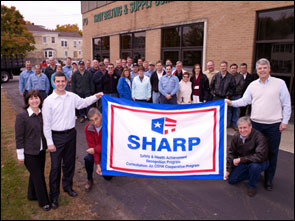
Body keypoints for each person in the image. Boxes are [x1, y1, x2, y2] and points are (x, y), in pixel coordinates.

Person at [226, 58, 291, 191]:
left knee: (272, 153)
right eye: (260, 68)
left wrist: (284, 121)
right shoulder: (253, 85)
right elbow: (244, 101)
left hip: (274, 125)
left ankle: (268, 179)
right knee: (252, 151)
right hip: (255, 125)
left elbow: (286, 104)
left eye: (264, 68)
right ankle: (253, 173)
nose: (262, 70)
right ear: (257, 70)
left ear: (269, 69)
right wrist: (231, 103)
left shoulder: (280, 83)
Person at [42, 72, 103, 209]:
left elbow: (83, 103)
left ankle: (68, 187)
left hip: (71, 135)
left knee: (69, 164)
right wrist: (49, 142)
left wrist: (96, 96)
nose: (60, 84)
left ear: (66, 82)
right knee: (56, 167)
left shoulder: (72, 96)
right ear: (54, 82)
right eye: (58, 81)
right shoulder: (49, 101)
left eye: (63, 81)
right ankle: (54, 196)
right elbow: (46, 124)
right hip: (56, 137)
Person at [15, 90, 51, 211]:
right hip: (29, 152)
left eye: (36, 98)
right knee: (39, 176)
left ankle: (31, 194)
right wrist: (20, 154)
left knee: (35, 174)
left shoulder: (44, 114)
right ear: (27, 101)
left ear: (40, 100)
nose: (34, 101)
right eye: (31, 98)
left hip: (41, 151)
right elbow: (19, 137)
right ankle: (44, 201)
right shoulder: (22, 117)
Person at [225, 117, 269, 197]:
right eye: (240, 128)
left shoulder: (259, 137)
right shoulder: (236, 136)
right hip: (244, 161)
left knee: (254, 167)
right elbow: (231, 153)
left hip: (260, 162)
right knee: (231, 180)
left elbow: (260, 156)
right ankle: (255, 175)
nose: (242, 130)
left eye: (245, 127)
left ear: (250, 126)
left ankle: (252, 186)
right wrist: (228, 169)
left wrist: (241, 159)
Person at [84, 108, 112, 192]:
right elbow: (92, 147)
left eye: (96, 119)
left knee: (108, 177)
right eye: (92, 120)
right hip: (97, 152)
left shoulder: (108, 125)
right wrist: (98, 164)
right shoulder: (88, 128)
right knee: (87, 158)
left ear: (101, 116)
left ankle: (111, 168)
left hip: (108, 152)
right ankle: (89, 179)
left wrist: (95, 149)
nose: (94, 122)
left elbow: (107, 145)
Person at [227, 63, 244, 130]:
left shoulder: (240, 76)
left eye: (235, 68)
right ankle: (227, 124)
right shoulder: (227, 76)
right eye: (232, 68)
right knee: (228, 111)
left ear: (236, 69)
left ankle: (235, 125)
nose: (233, 69)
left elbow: (241, 86)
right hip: (229, 96)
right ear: (230, 69)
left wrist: (232, 91)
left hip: (236, 96)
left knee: (236, 111)